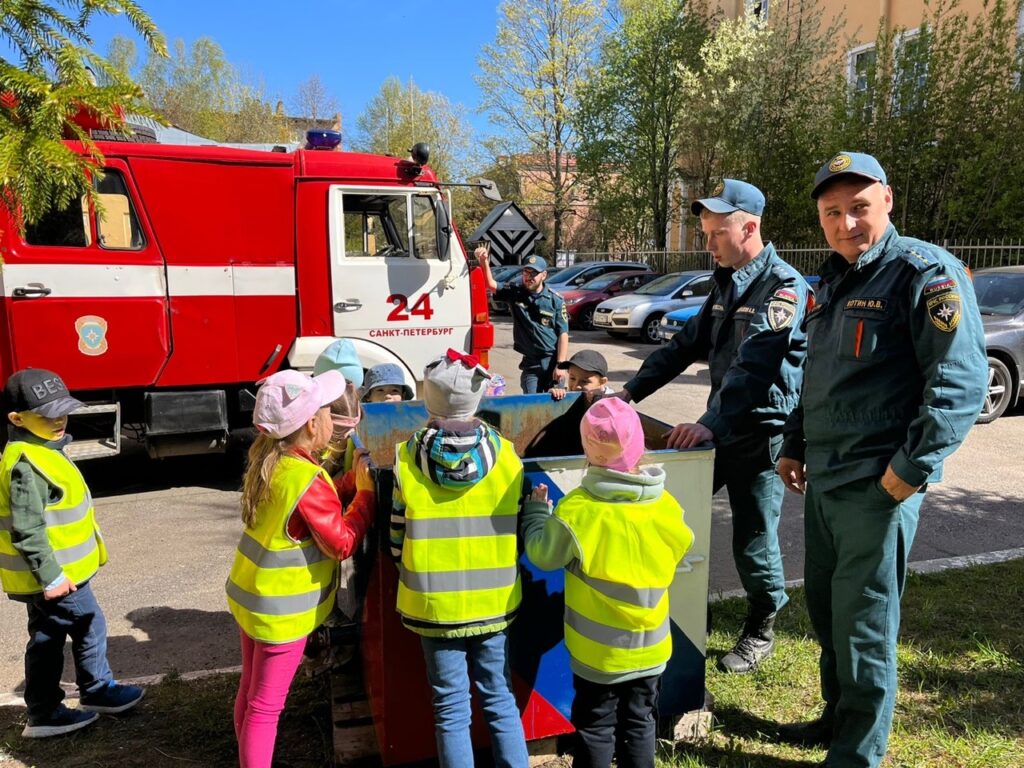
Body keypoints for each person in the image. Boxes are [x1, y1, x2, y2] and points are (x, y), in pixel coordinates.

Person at [774, 152, 987, 768]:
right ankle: (836, 722)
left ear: (887, 201)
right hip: (824, 480)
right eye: (832, 212)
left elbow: (959, 383)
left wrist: (910, 468)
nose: (846, 224)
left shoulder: (923, 273)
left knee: (864, 625)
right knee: (828, 610)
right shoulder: (835, 279)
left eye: (858, 208)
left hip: (877, 485)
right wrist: (793, 442)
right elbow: (819, 375)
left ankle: (856, 755)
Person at [615, 179, 808, 674]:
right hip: (721, 426)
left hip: (761, 435)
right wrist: (626, 394)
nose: (708, 244)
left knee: (752, 538)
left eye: (716, 233)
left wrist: (708, 425)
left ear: (749, 227)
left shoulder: (783, 288)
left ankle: (762, 624)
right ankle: (666, 608)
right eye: (705, 233)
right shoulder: (725, 281)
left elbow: (754, 367)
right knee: (670, 509)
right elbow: (682, 348)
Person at [522, 397, 693, 768]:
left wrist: (536, 513)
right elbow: (682, 548)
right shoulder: (666, 506)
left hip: (598, 655)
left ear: (586, 449)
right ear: (639, 448)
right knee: (640, 721)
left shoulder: (578, 511)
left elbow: (542, 554)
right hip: (651, 650)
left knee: (596, 726)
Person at [226, 369, 375, 768]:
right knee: (266, 707)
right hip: (281, 614)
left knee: (251, 692)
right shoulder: (305, 478)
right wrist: (365, 498)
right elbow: (341, 542)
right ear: (312, 424)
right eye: (328, 411)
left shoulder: (273, 458)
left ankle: (245, 755)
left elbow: (314, 498)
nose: (332, 419)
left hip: (251, 597)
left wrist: (346, 482)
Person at [389, 349, 529, 768]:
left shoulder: (404, 458)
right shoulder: (507, 456)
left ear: (428, 401)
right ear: (480, 398)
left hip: (434, 606)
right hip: (494, 603)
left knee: (450, 708)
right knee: (499, 697)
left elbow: (398, 536)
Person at [0, 368, 145, 738]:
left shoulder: (40, 449)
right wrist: (51, 576)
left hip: (58, 574)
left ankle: (48, 707)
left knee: (49, 636)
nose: (59, 419)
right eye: (48, 415)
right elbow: (27, 529)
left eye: (62, 410)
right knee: (87, 623)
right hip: (55, 577)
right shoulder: (27, 466)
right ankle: (88, 694)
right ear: (17, 419)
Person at [476, 246, 569, 394]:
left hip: (552, 361)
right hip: (531, 363)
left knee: (556, 401)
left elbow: (563, 333)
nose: (528, 276)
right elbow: (491, 285)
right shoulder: (515, 292)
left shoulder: (555, 300)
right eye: (526, 272)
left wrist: (561, 365)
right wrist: (484, 261)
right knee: (532, 401)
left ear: (544, 275)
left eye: (534, 273)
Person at [523, 350, 615, 460]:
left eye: (585, 381)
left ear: (602, 382)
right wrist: (555, 393)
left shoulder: (611, 401)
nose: (576, 386)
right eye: (572, 378)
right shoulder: (571, 394)